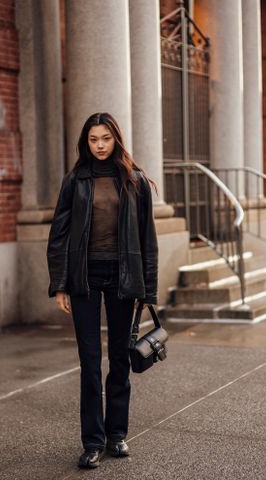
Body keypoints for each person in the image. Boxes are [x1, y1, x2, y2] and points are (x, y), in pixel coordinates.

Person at [46, 112, 159, 469]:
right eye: (93, 139)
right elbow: (59, 236)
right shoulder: (75, 180)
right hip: (85, 279)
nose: (99, 145)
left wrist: (148, 289)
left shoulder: (134, 181)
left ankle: (117, 435)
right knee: (91, 363)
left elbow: (147, 239)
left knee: (121, 360)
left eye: (105, 139)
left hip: (124, 278)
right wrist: (60, 284)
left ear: (116, 140)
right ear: (86, 142)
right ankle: (92, 441)